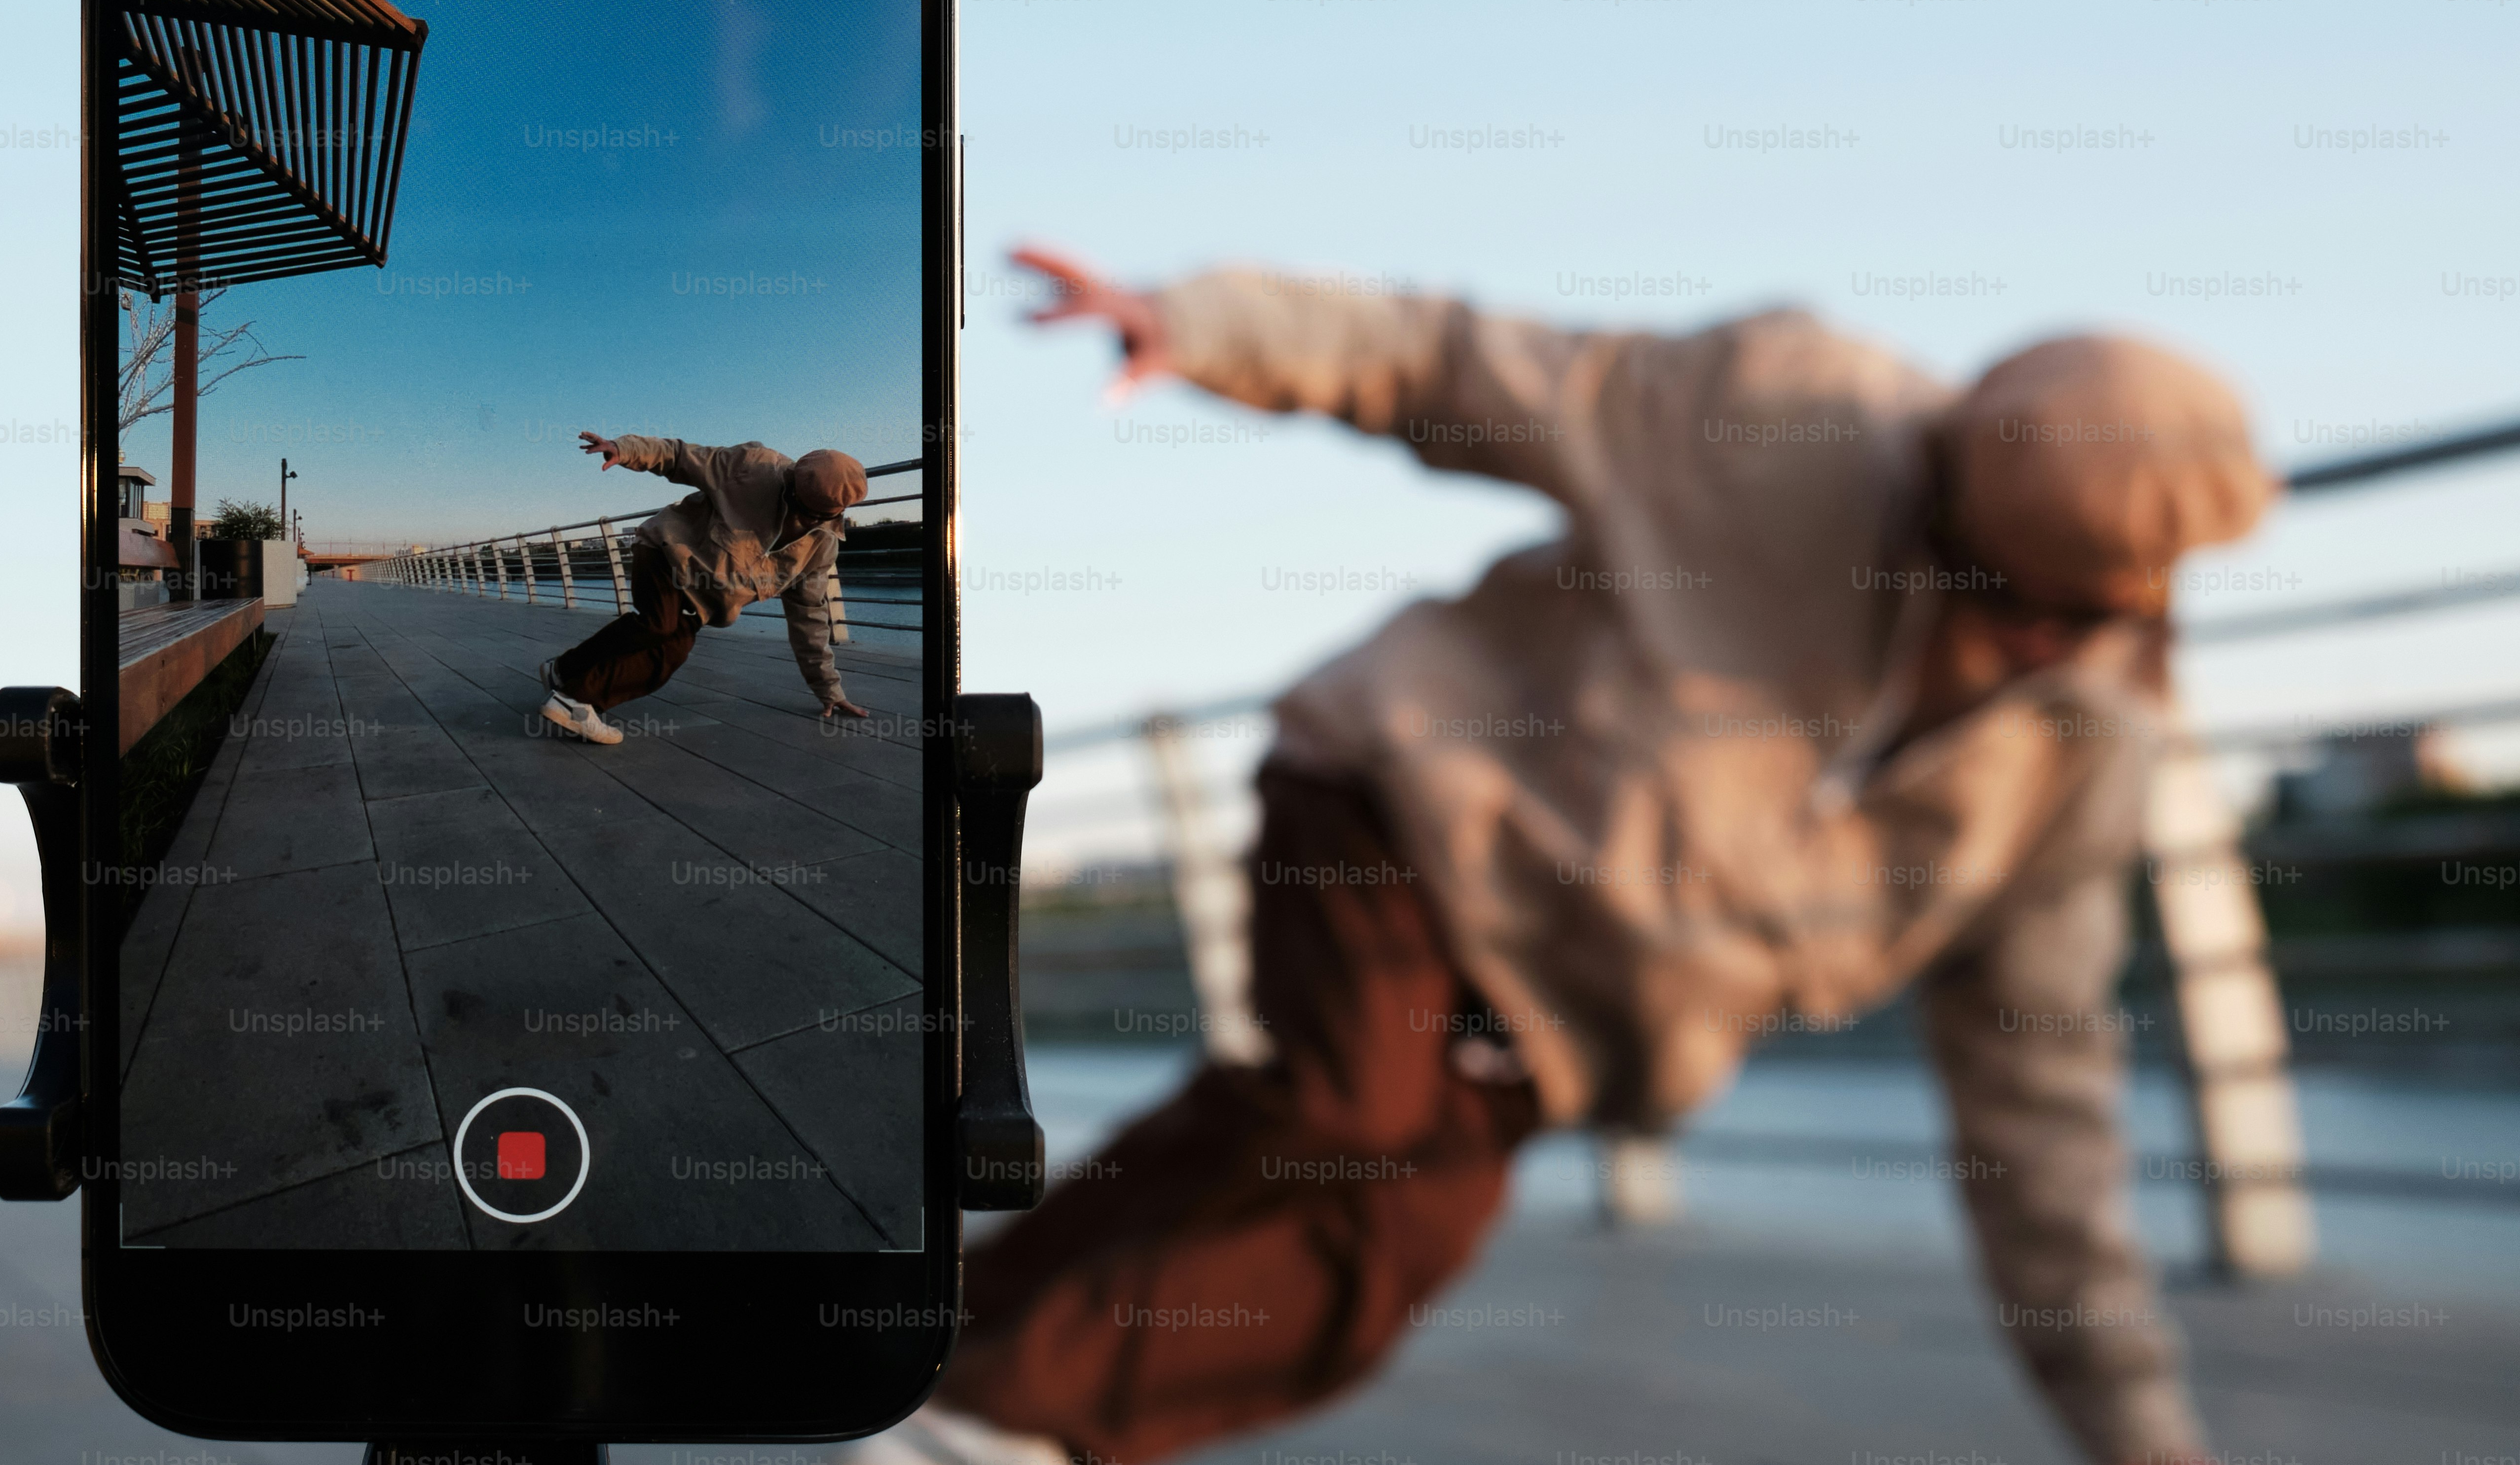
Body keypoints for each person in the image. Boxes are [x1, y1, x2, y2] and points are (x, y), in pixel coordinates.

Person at [895, 247, 2277, 1465]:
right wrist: (1196, 320)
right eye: (1986, 584)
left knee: (1328, 1200)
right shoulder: (1785, 408)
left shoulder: (2078, 759)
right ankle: (987, 1431)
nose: (2018, 642)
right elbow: (1454, 363)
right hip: (1404, 790)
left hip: (1568, 1008)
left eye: (2060, 622)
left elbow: (2038, 1089)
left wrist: (2133, 1425)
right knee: (1362, 1153)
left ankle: (941, 1360)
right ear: (1940, 490)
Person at [537, 432, 872, 745]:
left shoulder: (821, 547)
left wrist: (828, 688)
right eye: (802, 509)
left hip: (704, 599)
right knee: (665, 636)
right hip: (666, 549)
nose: (809, 521)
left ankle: (563, 670)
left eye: (821, 517)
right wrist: (625, 449)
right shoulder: (753, 465)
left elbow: (809, 616)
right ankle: (576, 703)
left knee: (656, 634)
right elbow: (680, 457)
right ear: (791, 482)